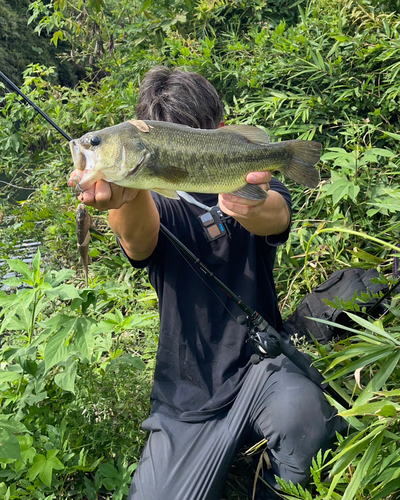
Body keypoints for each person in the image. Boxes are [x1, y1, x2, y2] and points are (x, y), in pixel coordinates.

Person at [75, 66, 345, 500]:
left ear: (222, 131)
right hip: (187, 394)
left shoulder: (251, 177)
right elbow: (138, 238)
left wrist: (251, 208)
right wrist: (125, 195)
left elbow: (276, 213)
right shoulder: (149, 196)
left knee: (307, 420)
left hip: (263, 362)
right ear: (148, 136)